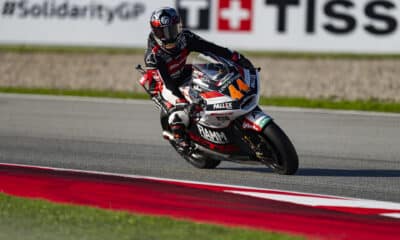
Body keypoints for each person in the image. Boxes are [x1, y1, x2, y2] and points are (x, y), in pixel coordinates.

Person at [140, 7, 253, 153]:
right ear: (156, 32)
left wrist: (236, 58)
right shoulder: (153, 56)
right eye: (165, 32)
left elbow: (210, 48)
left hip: (182, 72)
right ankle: (179, 137)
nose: (171, 35)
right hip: (162, 85)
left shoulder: (185, 37)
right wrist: (181, 103)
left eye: (173, 29)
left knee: (215, 74)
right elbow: (167, 83)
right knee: (179, 111)